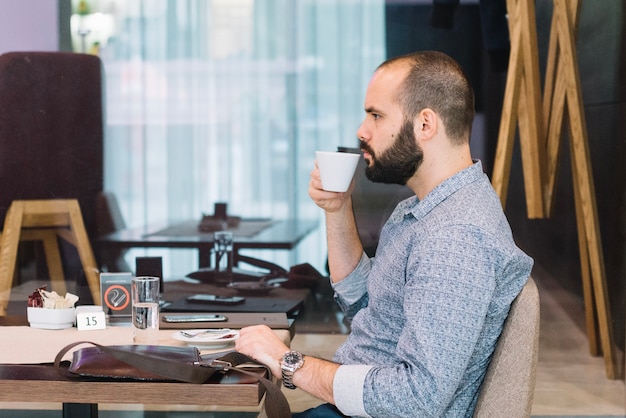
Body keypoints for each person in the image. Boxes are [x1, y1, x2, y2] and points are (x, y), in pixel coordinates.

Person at [235, 50, 534, 417]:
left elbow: (416, 399)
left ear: (425, 125)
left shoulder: (456, 236)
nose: (362, 131)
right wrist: (338, 207)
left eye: (376, 115)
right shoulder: (419, 209)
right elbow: (366, 303)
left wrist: (289, 362)